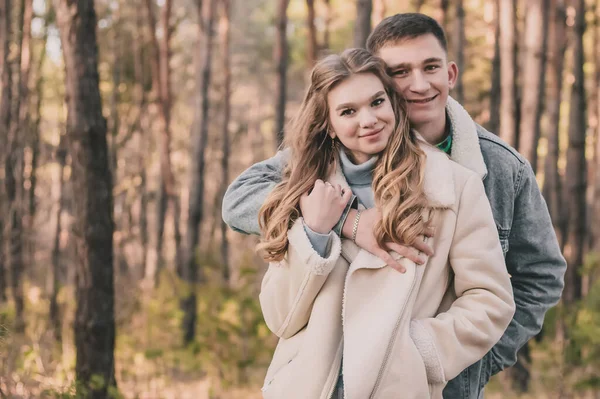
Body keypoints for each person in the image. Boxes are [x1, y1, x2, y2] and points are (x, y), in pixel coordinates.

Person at [223, 13, 566, 399]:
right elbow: (241, 202)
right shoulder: (313, 171)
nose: (419, 85)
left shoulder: (486, 172)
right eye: (401, 72)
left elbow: (520, 284)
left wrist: (428, 355)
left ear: (450, 73)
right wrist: (342, 224)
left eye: (430, 67)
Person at [254, 48, 514, 399]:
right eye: (348, 111)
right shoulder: (308, 192)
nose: (368, 120)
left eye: (377, 102)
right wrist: (314, 233)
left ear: (393, 103)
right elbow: (280, 318)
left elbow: (490, 298)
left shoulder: (452, 186)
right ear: (329, 124)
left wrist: (419, 350)